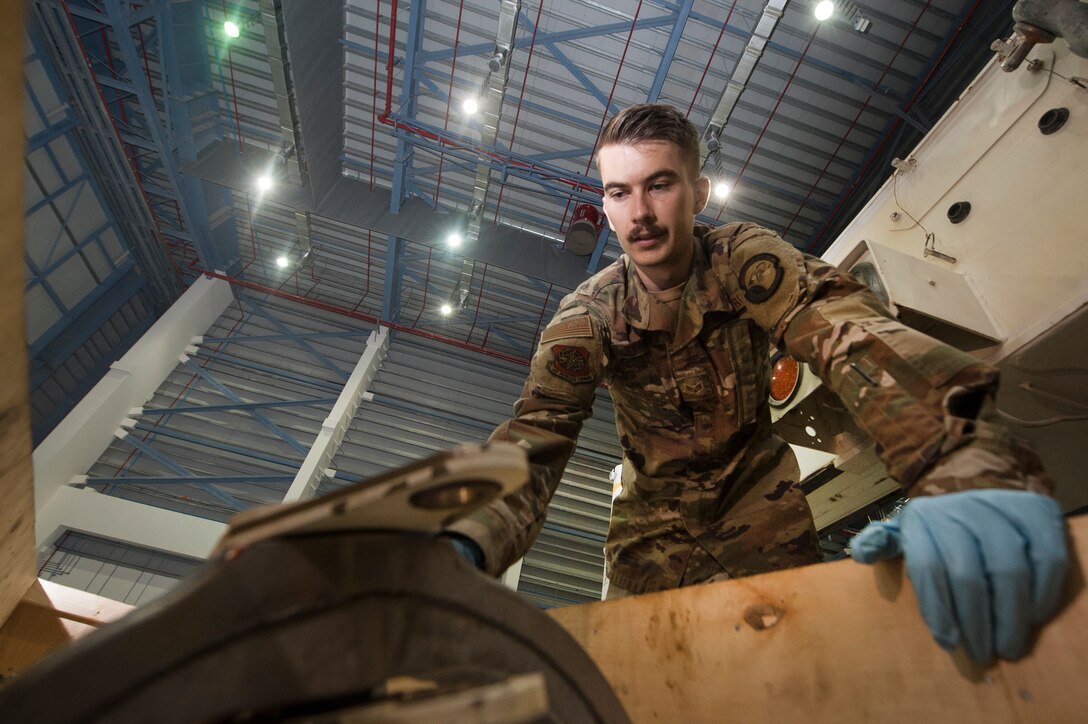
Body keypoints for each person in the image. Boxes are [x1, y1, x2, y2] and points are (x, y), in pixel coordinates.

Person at [444, 103, 1068, 664]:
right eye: (618, 192)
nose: (639, 213)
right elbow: (537, 432)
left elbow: (842, 330)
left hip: (760, 506)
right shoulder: (588, 316)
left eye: (659, 185)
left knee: (793, 675)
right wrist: (466, 542)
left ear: (699, 191)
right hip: (649, 530)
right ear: (604, 204)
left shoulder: (743, 259)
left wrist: (961, 464)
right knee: (645, 685)